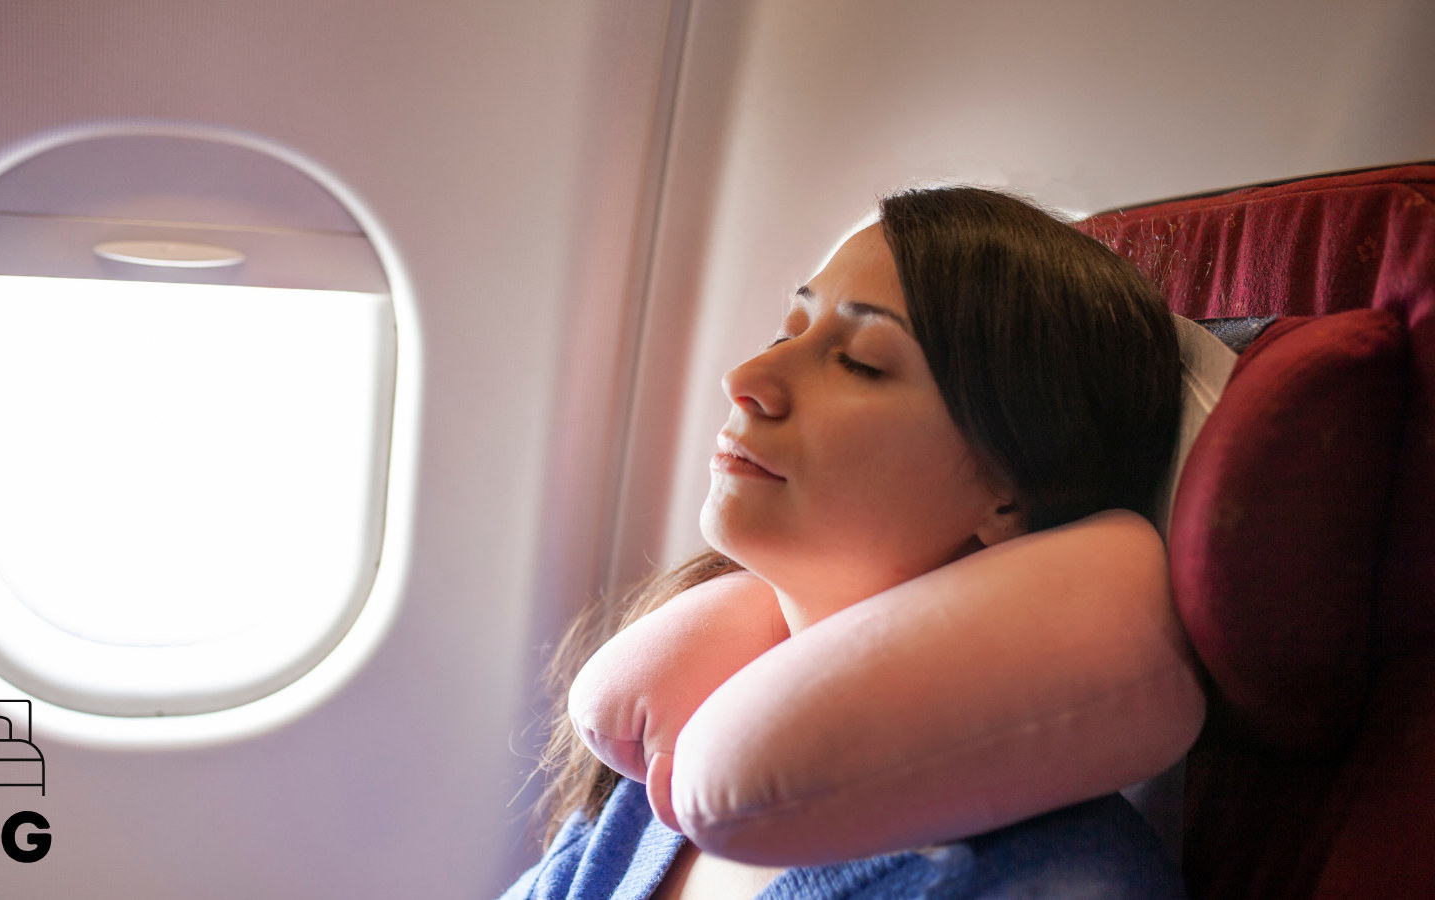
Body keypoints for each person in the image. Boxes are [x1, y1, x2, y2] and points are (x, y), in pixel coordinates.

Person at [501, 186, 1188, 899]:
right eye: (785, 334)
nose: (746, 381)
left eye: (860, 360)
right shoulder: (680, 750)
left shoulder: (1049, 881)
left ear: (1011, 489)